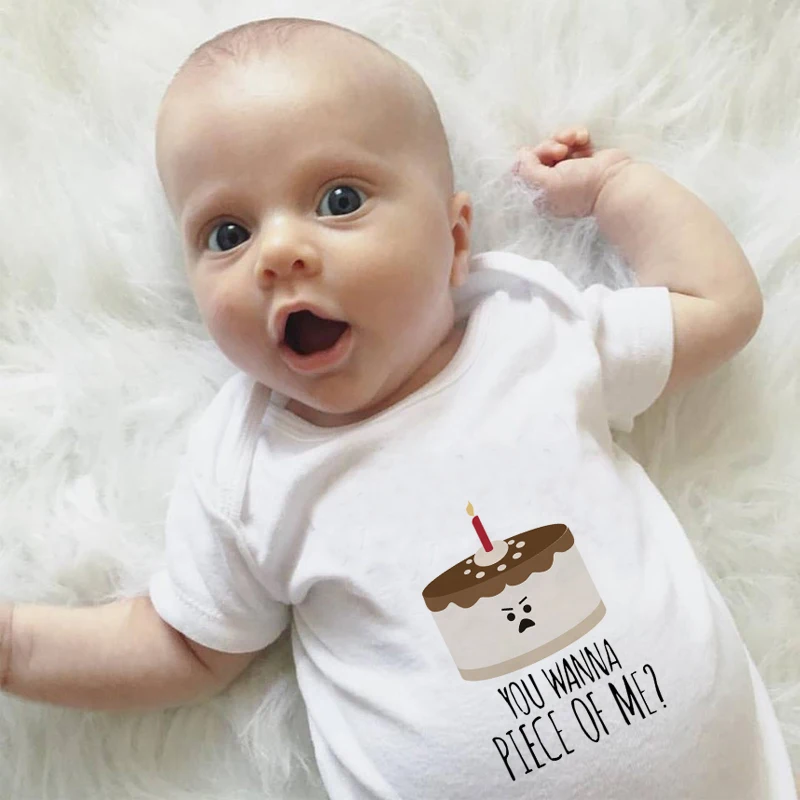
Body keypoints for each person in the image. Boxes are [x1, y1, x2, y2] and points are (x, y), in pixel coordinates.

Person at [1, 16, 796, 800]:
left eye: (339, 199)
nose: (278, 252)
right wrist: (16, 647)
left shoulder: (532, 333)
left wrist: (614, 187)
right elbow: (184, 645)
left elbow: (718, 306)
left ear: (455, 241)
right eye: (227, 233)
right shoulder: (251, 470)